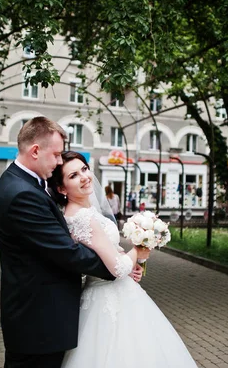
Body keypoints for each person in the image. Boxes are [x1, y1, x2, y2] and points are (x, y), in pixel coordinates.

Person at [0, 117, 143, 368]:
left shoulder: (26, 184)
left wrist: (120, 259)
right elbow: (68, 253)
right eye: (57, 155)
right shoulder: (22, 194)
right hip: (37, 321)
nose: (60, 161)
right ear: (36, 151)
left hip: (40, 318)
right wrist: (120, 264)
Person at [50, 151, 198, 368]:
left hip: (110, 290)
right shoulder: (83, 217)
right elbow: (117, 268)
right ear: (62, 189)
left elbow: (103, 254)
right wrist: (138, 250)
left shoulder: (83, 211)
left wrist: (130, 263)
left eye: (84, 169)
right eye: (73, 176)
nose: (84, 177)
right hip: (109, 296)